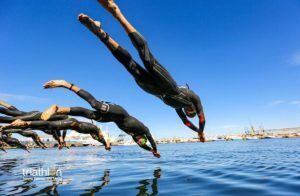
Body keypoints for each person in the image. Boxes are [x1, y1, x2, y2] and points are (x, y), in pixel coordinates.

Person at [76, 0, 206, 142]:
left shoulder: (178, 109)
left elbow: (185, 122)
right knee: (147, 58)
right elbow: (202, 118)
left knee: (129, 65)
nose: (189, 111)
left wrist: (197, 132)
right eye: (191, 110)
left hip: (154, 90)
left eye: (189, 113)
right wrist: (201, 130)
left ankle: (99, 32)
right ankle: (116, 12)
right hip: (169, 86)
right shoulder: (193, 97)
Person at [42, 80, 160, 158]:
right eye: (141, 140)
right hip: (119, 112)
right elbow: (151, 139)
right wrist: (155, 148)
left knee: (89, 115)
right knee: (95, 105)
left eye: (139, 142)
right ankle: (65, 84)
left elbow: (142, 145)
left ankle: (59, 109)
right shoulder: (143, 129)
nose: (139, 142)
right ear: (142, 137)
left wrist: (151, 152)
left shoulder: (135, 138)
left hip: (111, 119)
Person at [1, 118, 110, 150]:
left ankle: (26, 124)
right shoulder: (96, 130)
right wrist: (107, 145)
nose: (94, 137)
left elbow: (101, 139)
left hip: (71, 124)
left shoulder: (94, 134)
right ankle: (25, 123)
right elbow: (105, 139)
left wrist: (62, 142)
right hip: (73, 123)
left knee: (47, 126)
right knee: (51, 125)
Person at [0, 100, 68, 121]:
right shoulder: (62, 118)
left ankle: (2, 103)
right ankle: (2, 103)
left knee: (14, 112)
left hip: (35, 114)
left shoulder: (61, 120)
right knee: (10, 118)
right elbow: (55, 106)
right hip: (36, 116)